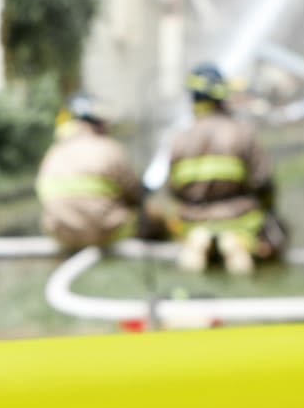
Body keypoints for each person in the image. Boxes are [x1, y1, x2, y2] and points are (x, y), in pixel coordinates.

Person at [166, 62, 286, 276]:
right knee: (245, 241)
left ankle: (198, 242)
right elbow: (263, 181)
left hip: (193, 217)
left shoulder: (180, 139)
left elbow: (174, 189)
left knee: (193, 235)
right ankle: (236, 245)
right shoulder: (242, 133)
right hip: (239, 217)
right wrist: (269, 211)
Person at [35, 93, 147, 253]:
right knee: (152, 218)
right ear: (98, 122)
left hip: (61, 234)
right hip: (104, 232)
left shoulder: (53, 153)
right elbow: (136, 194)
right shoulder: (109, 148)